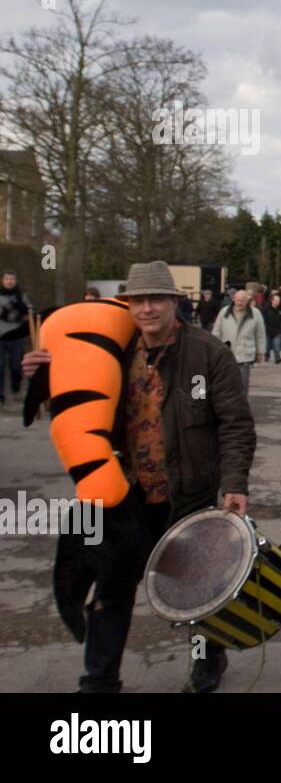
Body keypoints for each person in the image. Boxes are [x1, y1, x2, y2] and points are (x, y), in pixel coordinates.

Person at [21, 260, 255, 693]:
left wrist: (235, 482)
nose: (146, 309)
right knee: (111, 588)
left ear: (173, 303)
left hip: (186, 493)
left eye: (155, 300)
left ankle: (207, 666)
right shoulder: (113, 352)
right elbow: (75, 408)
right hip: (124, 495)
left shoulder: (206, 354)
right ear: (127, 305)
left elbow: (235, 424)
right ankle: (99, 679)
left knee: (199, 592)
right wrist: (46, 376)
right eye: (137, 301)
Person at [213, 290, 266, 394]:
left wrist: (261, 352)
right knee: (226, 383)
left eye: (242, 301)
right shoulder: (224, 312)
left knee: (242, 384)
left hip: (245, 354)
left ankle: (242, 406)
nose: (239, 303)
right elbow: (216, 331)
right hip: (227, 354)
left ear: (247, 301)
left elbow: (260, 335)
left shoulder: (255, 314)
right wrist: (212, 349)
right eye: (237, 300)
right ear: (233, 299)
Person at [0, 269, 34, 407]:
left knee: (16, 366)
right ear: (2, 280)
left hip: (16, 336)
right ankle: (0, 395)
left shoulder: (21, 296)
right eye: (7, 279)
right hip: (1, 336)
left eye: (12, 279)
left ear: (15, 281)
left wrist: (25, 314)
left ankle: (16, 386)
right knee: (0, 366)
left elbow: (29, 310)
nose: (9, 281)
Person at [261, 291, 281, 364]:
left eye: (279, 301)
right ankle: (267, 355)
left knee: (277, 345)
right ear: (272, 300)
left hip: (277, 330)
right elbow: (263, 319)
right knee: (267, 346)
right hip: (268, 330)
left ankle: (277, 358)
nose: (278, 302)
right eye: (276, 300)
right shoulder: (266, 308)